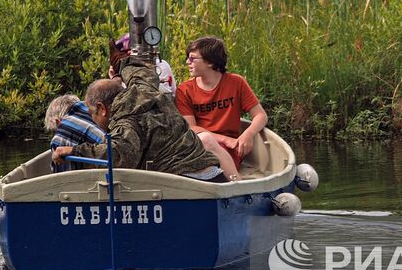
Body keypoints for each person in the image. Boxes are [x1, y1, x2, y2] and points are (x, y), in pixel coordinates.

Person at [52, 56, 225, 181]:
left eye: (92, 114)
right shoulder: (144, 90)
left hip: (187, 182)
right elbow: (142, 73)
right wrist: (122, 62)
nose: (93, 119)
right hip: (214, 174)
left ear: (102, 108)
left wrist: (74, 151)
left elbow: (120, 155)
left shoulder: (126, 120)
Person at [175, 36, 267, 171]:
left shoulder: (236, 83)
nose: (187, 62)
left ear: (210, 62)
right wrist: (225, 139)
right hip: (198, 145)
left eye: (193, 58)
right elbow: (191, 128)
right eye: (188, 58)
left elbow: (260, 115)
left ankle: (236, 183)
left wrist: (248, 134)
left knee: (212, 160)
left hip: (229, 149)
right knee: (204, 142)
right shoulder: (184, 90)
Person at [44, 93, 105, 173]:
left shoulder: (62, 135)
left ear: (57, 121)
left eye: (55, 131)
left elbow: (64, 180)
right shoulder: (97, 111)